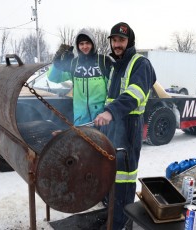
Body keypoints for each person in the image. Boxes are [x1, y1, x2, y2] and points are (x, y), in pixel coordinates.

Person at [94, 22, 156, 229]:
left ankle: (121, 223)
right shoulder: (116, 66)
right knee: (111, 172)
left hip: (129, 127)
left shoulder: (141, 64)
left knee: (124, 178)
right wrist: (99, 121)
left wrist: (110, 113)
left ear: (129, 42)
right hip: (113, 127)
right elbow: (110, 100)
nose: (117, 44)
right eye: (114, 40)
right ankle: (112, 213)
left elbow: (134, 95)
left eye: (121, 40)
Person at [48, 28, 112, 126]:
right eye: (81, 44)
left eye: (87, 43)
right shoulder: (74, 63)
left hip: (101, 119)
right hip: (81, 120)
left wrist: (108, 111)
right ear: (78, 46)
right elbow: (54, 78)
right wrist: (57, 64)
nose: (84, 46)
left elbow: (112, 89)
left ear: (93, 44)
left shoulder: (104, 61)